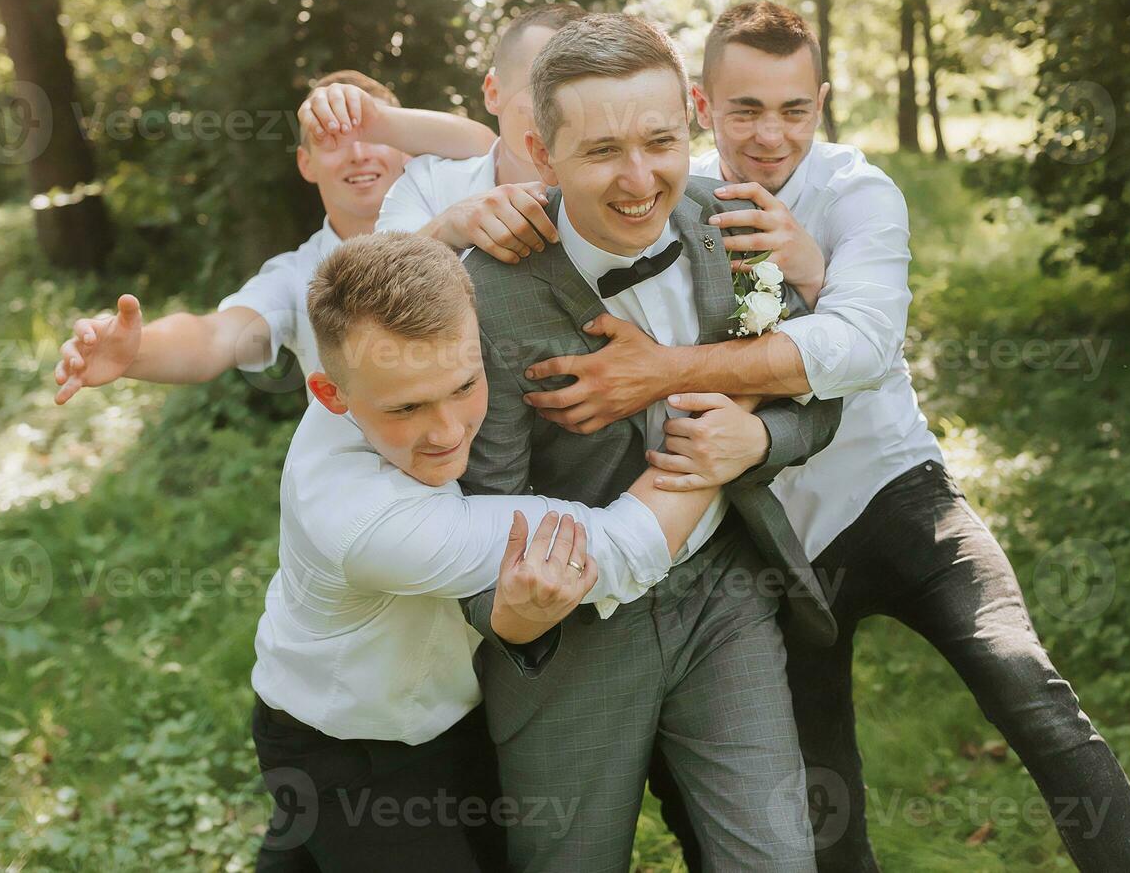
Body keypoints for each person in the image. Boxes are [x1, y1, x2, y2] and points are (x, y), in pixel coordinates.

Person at [525, 0, 1130, 872]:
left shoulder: (858, 191)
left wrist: (734, 324)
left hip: (894, 492)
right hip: (772, 538)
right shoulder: (671, 196)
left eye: (795, 109)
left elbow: (861, 345)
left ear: (821, 103)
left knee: (1027, 687)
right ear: (705, 107)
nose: (771, 134)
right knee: (821, 785)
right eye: (746, 109)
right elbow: (553, 196)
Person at [455, 12, 843, 872]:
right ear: (539, 150)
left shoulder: (734, 226)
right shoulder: (490, 298)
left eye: (661, 141)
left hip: (724, 595)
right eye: (600, 153)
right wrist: (506, 613)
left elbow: (817, 394)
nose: (640, 179)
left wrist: (760, 439)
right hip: (579, 630)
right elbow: (478, 516)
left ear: (692, 125)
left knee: (778, 859)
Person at [251, 231, 761, 871]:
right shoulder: (366, 521)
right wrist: (732, 410)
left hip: (455, 719)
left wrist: (469, 213)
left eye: (464, 386)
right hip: (350, 750)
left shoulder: (378, 366)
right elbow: (617, 547)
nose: (447, 432)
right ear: (331, 395)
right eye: (408, 408)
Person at [51, 70, 495, 404]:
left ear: (405, 145)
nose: (358, 153)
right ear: (306, 164)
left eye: (374, 135)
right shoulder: (297, 274)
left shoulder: (455, 206)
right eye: (333, 140)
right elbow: (214, 336)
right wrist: (136, 351)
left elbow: (489, 147)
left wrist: (384, 119)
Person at [307, 4, 586, 262]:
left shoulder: (621, 191)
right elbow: (371, 299)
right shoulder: (428, 186)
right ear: (493, 93)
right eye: (543, 88)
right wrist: (446, 229)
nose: (568, 110)